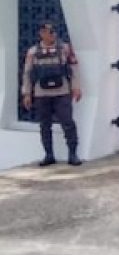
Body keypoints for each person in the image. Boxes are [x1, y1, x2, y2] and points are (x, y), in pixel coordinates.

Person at [21, 20, 82, 166]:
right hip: (42, 94)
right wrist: (27, 93)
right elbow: (27, 73)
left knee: (68, 123)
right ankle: (49, 155)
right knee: (44, 125)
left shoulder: (64, 49)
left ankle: (72, 154)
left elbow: (74, 69)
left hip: (62, 92)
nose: (53, 35)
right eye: (49, 32)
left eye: (53, 32)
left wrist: (76, 87)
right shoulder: (33, 52)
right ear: (41, 34)